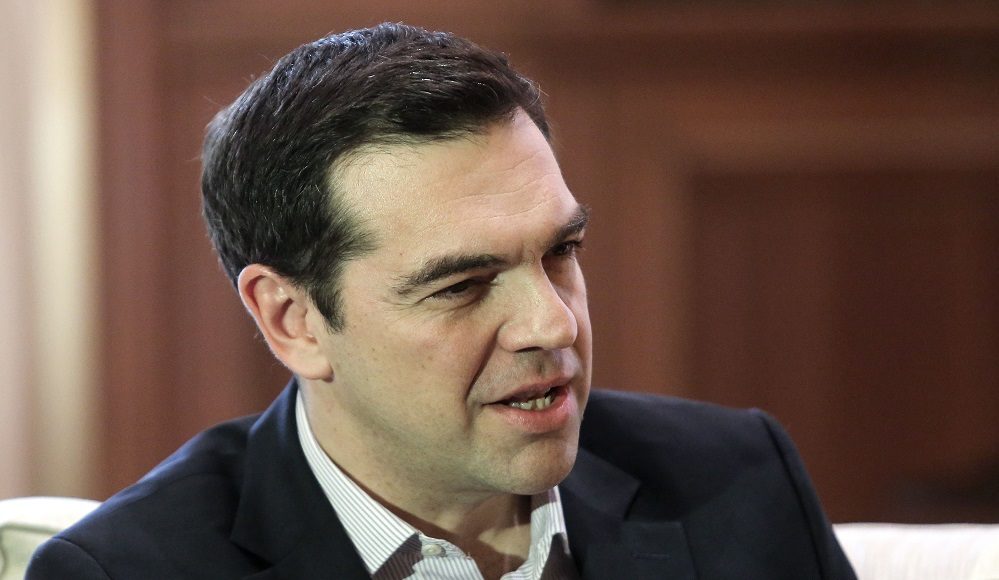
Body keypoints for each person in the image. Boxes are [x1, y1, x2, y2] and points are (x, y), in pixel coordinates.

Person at [28, 23, 856, 579]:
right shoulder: (130, 570)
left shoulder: (738, 480)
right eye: (461, 285)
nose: (552, 322)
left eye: (560, 253)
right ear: (293, 319)